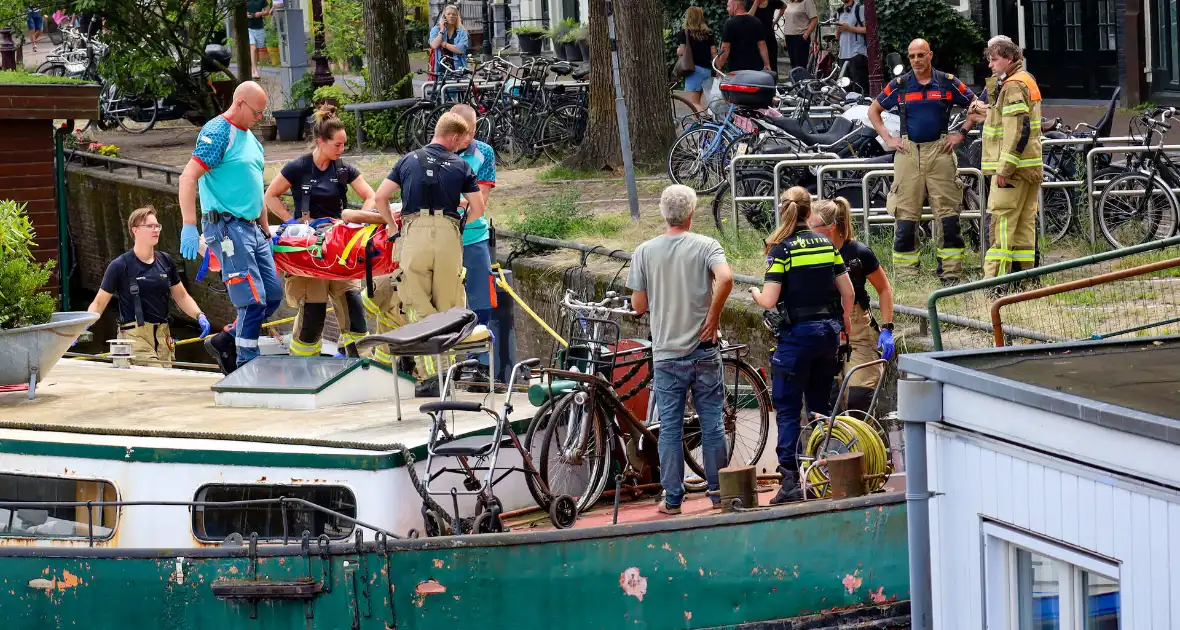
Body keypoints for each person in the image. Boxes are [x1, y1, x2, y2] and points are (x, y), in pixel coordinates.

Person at [627, 185, 734, 515]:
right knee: (712, 423)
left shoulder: (644, 251)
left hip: (667, 353)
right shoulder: (706, 246)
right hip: (704, 348)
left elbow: (639, 305)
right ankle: (718, 493)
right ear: (691, 214)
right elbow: (726, 278)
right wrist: (713, 314)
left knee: (670, 429)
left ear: (663, 213)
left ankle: (672, 499)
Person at [749, 187, 854, 505]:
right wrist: (843, 328)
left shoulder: (780, 250)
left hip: (796, 339)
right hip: (827, 338)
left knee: (789, 411)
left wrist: (754, 292)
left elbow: (769, 300)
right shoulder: (826, 244)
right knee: (821, 409)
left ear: (785, 212)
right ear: (809, 213)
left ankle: (792, 482)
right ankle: (827, 475)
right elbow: (847, 292)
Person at [373, 112, 486, 397]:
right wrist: (459, 223)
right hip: (448, 235)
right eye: (462, 141)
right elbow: (479, 208)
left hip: (414, 235)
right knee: (448, 308)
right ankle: (445, 377)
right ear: (454, 137)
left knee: (419, 305)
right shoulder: (461, 165)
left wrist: (391, 227)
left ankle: (429, 377)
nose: (462, 147)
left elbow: (380, 197)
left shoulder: (408, 160)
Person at [178, 81, 281, 373]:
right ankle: (246, 363)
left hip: (252, 229)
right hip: (227, 229)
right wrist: (189, 225)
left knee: (272, 295)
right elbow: (188, 178)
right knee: (252, 299)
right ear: (239, 104)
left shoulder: (253, 142)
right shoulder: (218, 132)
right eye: (257, 112)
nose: (260, 118)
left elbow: (255, 189)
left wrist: (266, 229)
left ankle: (226, 340)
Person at [263, 105, 377, 358]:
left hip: (338, 247)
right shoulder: (298, 167)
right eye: (337, 145)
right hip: (309, 251)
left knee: (354, 307)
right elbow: (270, 196)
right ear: (320, 142)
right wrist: (291, 221)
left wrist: (354, 223)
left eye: (343, 144)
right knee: (313, 315)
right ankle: (302, 364)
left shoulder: (343, 169)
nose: (341, 149)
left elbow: (370, 195)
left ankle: (359, 362)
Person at [869, 39, 978, 285]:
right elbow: (873, 110)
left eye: (921, 55)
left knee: (949, 217)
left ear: (930, 55)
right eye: (912, 56)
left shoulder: (948, 82)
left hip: (940, 153)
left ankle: (951, 274)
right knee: (905, 218)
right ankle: (907, 278)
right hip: (908, 154)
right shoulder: (900, 85)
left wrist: (961, 132)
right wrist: (888, 138)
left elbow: (976, 105)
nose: (916, 60)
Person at [88, 207, 211, 368]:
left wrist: (199, 315)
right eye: (150, 226)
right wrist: (81, 326)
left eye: (157, 226)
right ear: (135, 230)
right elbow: (99, 303)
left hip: (163, 336)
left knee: (165, 382)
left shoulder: (165, 261)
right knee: (154, 376)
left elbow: (181, 296)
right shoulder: (120, 265)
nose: (155, 230)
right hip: (135, 337)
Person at [807, 197, 895, 413]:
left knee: (859, 399)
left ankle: (865, 444)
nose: (807, 232)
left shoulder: (858, 253)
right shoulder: (809, 252)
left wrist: (887, 328)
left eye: (812, 227)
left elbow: (884, 289)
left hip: (857, 333)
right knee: (825, 403)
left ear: (831, 228)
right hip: (824, 332)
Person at [976, 35, 1043, 279]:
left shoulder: (1014, 85)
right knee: (1024, 223)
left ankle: (995, 281)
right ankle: (1026, 277)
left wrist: (1004, 169)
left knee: (1001, 223)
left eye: (994, 60)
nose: (990, 65)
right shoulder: (1024, 80)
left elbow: (1017, 129)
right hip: (1029, 165)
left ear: (1009, 58)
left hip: (1012, 170)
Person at [448, 104, 498, 383]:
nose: (471, 136)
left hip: (473, 236)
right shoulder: (438, 149)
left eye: (474, 130)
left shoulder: (484, 153)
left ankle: (476, 363)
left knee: (481, 302)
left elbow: (479, 202)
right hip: (442, 238)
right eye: (467, 131)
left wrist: (451, 198)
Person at [673, 6, 719, 114]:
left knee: (692, 103)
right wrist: (717, 69)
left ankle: (705, 124)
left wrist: (678, 50)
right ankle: (703, 127)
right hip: (707, 71)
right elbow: (713, 52)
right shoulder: (708, 33)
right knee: (700, 102)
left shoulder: (685, 33)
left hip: (694, 71)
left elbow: (682, 52)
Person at [719, 0, 770, 73]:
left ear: (735, 6)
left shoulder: (729, 24)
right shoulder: (756, 21)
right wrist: (767, 63)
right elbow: (762, 45)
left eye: (728, 6)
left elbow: (725, 47)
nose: (727, 9)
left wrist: (719, 66)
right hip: (755, 66)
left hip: (737, 68)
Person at [834, 0, 867, 93]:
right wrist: (838, 28)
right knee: (845, 90)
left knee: (858, 88)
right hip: (843, 55)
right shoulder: (839, 11)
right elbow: (837, 36)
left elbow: (868, 29)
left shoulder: (859, 8)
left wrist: (850, 28)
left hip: (857, 53)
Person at [429, 5, 468, 77]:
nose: (451, 16)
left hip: (458, 69)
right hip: (440, 69)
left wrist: (443, 44)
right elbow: (434, 45)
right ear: (444, 16)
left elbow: (460, 49)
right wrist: (441, 29)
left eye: (454, 14)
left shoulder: (462, 32)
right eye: (448, 14)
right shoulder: (436, 29)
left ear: (457, 17)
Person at [748, 0, 786, 77]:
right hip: (755, 39)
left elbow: (784, 6)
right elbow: (748, 19)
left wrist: (776, 21)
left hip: (769, 38)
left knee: (772, 64)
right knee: (757, 65)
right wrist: (756, 3)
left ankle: (773, 85)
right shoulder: (749, 2)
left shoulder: (772, 1)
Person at [781, 0, 818, 71]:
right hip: (789, 37)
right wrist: (785, 38)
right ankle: (795, 82)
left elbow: (814, 19)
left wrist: (806, 34)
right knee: (793, 65)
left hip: (800, 37)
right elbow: (788, 21)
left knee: (800, 66)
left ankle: (801, 81)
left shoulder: (807, 2)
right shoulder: (790, 2)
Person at [246, 0, 272, 81]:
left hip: (259, 28)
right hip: (248, 27)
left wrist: (260, 13)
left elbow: (268, 11)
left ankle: (254, 67)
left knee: (256, 49)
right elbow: (238, 11)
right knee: (253, 47)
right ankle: (255, 71)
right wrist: (245, 14)